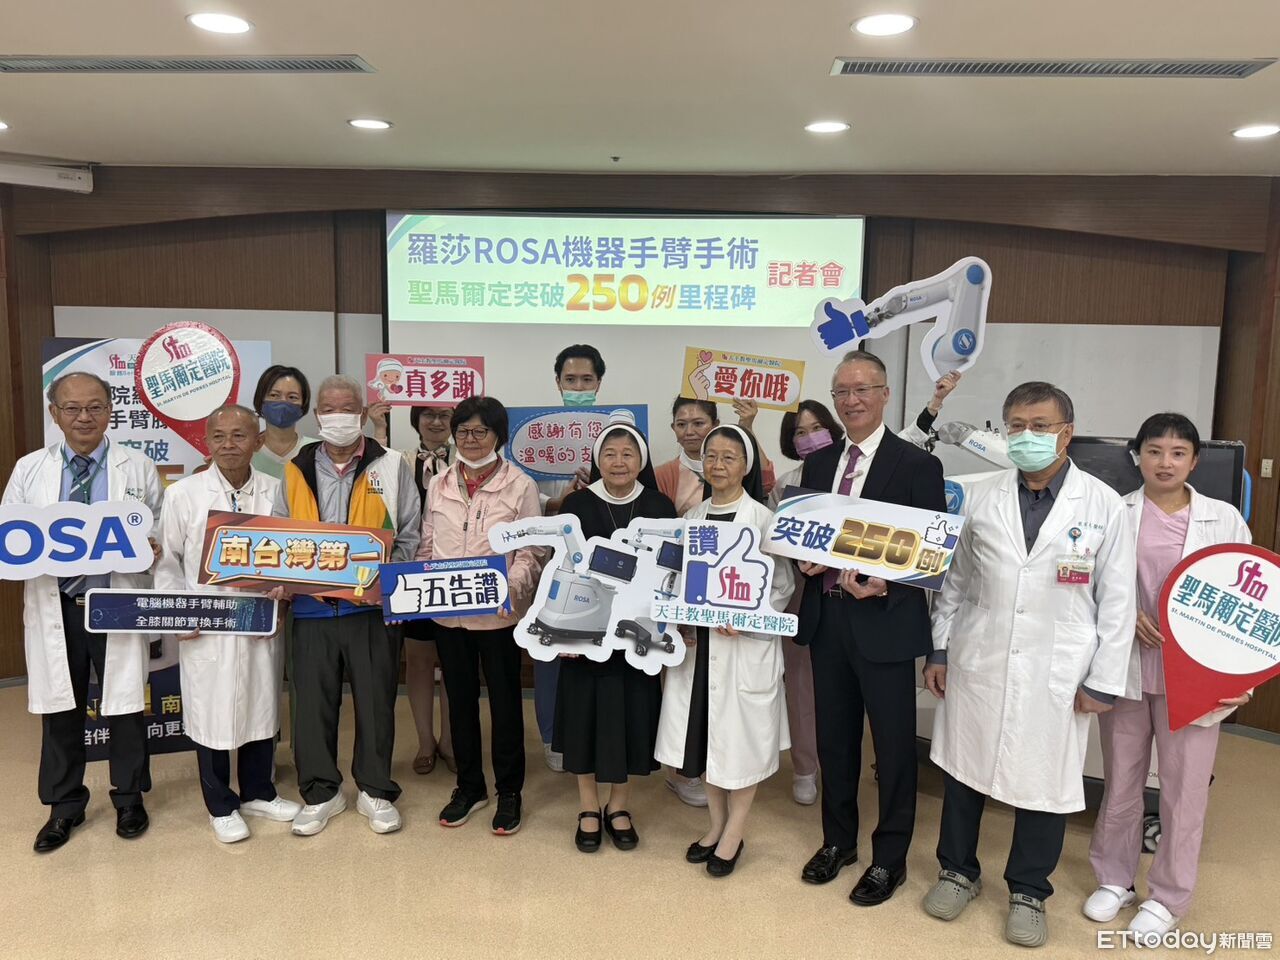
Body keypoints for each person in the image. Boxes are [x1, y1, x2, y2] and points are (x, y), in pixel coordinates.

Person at [922, 381, 1136, 948]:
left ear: (1067, 432)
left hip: (1058, 667)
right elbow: (955, 582)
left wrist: (1104, 681)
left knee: (1045, 779)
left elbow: (1118, 602)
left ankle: (1028, 890)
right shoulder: (981, 495)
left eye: (1040, 426)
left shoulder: (1103, 504)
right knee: (964, 768)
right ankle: (957, 872)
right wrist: (940, 648)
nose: (1026, 436)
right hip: (980, 655)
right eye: (1015, 426)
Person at [1084, 413, 1251, 938]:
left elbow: (1248, 602)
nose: (1165, 462)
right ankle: (1114, 878)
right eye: (1154, 451)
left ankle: (1170, 896)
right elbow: (1085, 579)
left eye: (1178, 453)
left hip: (1195, 681)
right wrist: (1124, 611)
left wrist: (1240, 676)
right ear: (1138, 456)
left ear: (1194, 461)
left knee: (1184, 791)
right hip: (1128, 669)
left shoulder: (1224, 519)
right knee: (1122, 782)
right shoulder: (1116, 512)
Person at [793, 349, 945, 906]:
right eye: (842, 391)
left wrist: (889, 584)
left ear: (884, 394)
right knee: (834, 740)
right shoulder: (818, 464)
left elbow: (930, 553)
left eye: (863, 389)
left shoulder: (916, 465)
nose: (852, 400)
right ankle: (838, 842)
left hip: (885, 621)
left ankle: (890, 858)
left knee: (894, 746)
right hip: (828, 617)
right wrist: (804, 561)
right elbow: (805, 535)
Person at [4, 372, 162, 852]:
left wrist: (154, 547)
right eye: (72, 408)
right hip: (58, 606)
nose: (84, 417)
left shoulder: (138, 467)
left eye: (95, 407)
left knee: (126, 704)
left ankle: (129, 798)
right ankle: (64, 806)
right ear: (55, 414)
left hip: (116, 604)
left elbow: (161, 525)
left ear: (110, 411)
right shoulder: (30, 469)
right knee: (60, 707)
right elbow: (11, 533)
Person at [271, 374, 421, 837]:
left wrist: (386, 577)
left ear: (362, 414)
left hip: (370, 609)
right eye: (330, 409)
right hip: (312, 609)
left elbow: (411, 533)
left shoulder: (392, 464)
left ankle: (375, 790)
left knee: (376, 702)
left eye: (348, 409)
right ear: (318, 416)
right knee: (311, 705)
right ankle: (321, 792)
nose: (339, 417)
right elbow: (278, 532)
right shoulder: (295, 467)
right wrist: (280, 579)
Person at [154, 405, 301, 843]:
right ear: (207, 441)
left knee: (260, 704)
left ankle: (258, 792)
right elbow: (168, 563)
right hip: (207, 623)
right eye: (219, 437)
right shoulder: (184, 494)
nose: (228, 445)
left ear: (258, 441)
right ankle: (220, 804)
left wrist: (284, 594)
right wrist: (179, 613)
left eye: (239, 436)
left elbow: (292, 556)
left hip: (258, 618)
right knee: (210, 711)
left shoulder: (277, 491)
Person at [655, 425, 794, 878]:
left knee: (741, 743)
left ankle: (735, 831)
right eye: (711, 456)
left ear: (746, 465)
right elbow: (677, 582)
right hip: (699, 649)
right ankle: (715, 825)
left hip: (742, 649)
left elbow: (781, 587)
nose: (717, 465)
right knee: (705, 740)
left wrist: (748, 619)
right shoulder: (693, 519)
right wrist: (680, 619)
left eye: (728, 457)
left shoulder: (763, 520)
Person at [417, 396, 542, 836]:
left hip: (499, 617)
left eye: (480, 431)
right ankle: (470, 787)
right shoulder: (439, 483)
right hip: (448, 616)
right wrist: (413, 591)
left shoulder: (519, 485)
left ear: (498, 436)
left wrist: (512, 587)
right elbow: (428, 544)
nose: (470, 440)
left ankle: (509, 791)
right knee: (459, 702)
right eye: (463, 431)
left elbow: (532, 550)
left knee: (505, 706)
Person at [555, 420, 676, 852]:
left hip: (637, 636)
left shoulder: (660, 506)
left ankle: (619, 805)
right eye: (609, 453)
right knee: (584, 716)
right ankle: (589, 805)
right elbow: (560, 567)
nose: (618, 462)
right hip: (586, 632)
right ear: (597, 460)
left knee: (631, 716)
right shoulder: (576, 504)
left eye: (628, 453)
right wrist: (564, 633)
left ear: (641, 461)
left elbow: (673, 572)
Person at [536, 343, 609, 773]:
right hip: (553, 561)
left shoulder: (615, 434)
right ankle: (552, 734)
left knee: (596, 645)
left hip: (601, 563)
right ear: (557, 382)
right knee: (549, 648)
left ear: (599, 383)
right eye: (570, 380)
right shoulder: (536, 436)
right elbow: (524, 503)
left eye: (586, 380)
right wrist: (559, 503)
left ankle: (592, 731)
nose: (578, 387)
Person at [376, 404, 457, 776]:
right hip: (410, 573)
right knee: (420, 661)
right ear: (416, 421)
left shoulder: (468, 459)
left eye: (444, 416)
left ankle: (451, 740)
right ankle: (426, 741)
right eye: (428, 415)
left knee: (455, 661)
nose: (436, 422)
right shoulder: (398, 461)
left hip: (456, 573)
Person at [656, 396, 775, 518]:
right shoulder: (662, 475)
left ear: (715, 424)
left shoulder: (761, 516)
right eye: (681, 424)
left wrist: (746, 428)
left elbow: (766, 483)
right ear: (673, 427)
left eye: (698, 423)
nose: (689, 432)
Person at [251, 365, 317, 481]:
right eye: (274, 395)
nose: (283, 402)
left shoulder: (316, 450)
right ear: (260, 400)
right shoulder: (245, 450)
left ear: (303, 404)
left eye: (292, 397)